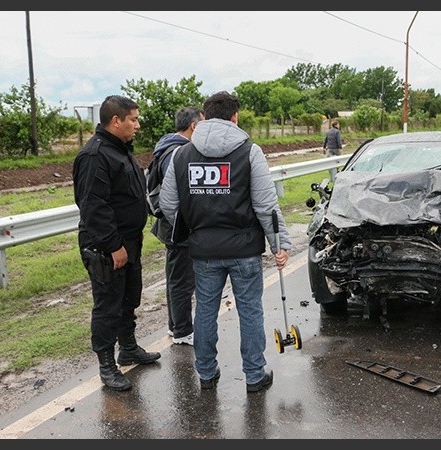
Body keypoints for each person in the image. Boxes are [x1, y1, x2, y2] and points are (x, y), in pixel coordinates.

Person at [159, 91, 292, 393]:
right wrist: (279, 245)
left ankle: (206, 374)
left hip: (204, 251)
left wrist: (193, 227)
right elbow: (265, 206)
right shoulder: (249, 152)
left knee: (205, 310)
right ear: (235, 117)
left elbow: (168, 204)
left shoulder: (181, 155)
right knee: (250, 310)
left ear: (204, 117)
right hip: (244, 249)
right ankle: (255, 376)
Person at [73, 95, 161, 392]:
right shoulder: (96, 155)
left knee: (128, 298)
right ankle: (107, 366)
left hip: (128, 241)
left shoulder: (119, 150)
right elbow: (93, 206)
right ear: (115, 121)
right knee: (108, 304)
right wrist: (112, 245)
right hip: (107, 245)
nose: (137, 125)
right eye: (133, 119)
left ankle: (129, 348)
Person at [150, 106, 204, 346]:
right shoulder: (179, 153)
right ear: (194, 125)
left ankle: (176, 327)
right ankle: (183, 330)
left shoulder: (166, 146)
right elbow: (182, 194)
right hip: (177, 226)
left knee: (175, 277)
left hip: (168, 225)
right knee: (182, 281)